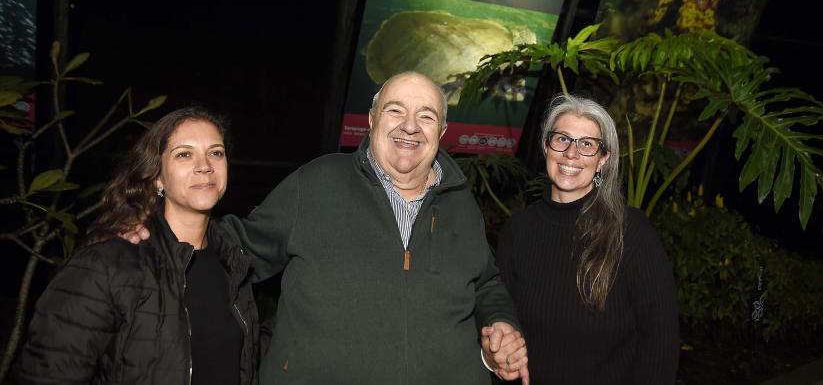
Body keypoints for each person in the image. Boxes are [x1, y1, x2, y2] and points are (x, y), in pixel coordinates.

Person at [126, 71, 529, 384]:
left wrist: (503, 323)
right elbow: (239, 247)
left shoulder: (460, 200)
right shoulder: (318, 183)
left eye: (426, 116)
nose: (410, 126)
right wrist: (155, 232)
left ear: (441, 133)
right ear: (371, 120)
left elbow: (486, 283)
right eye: (395, 110)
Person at [19, 107, 260, 385]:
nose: (204, 165)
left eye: (215, 152)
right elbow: (50, 373)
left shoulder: (234, 265)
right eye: (184, 154)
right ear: (158, 176)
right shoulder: (107, 265)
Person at [495, 94, 680, 384]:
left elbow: (661, 340)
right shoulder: (518, 229)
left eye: (587, 144)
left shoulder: (630, 232)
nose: (571, 153)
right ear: (546, 146)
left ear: (603, 159)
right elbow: (501, 318)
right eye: (562, 139)